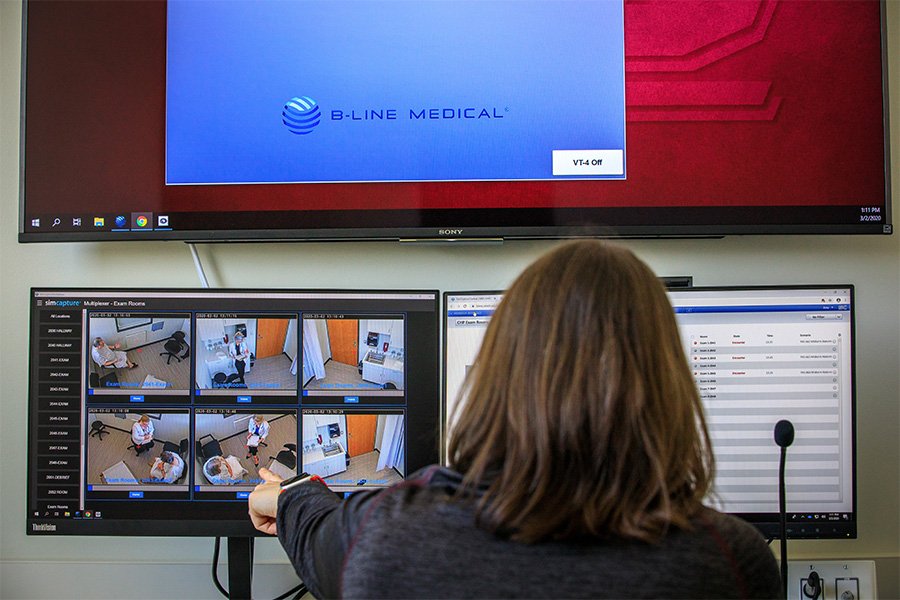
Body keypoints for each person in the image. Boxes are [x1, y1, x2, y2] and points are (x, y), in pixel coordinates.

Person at [249, 241, 781, 599]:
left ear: (498, 377)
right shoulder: (732, 564)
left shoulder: (386, 536)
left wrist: (291, 493)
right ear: (665, 388)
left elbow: (318, 533)